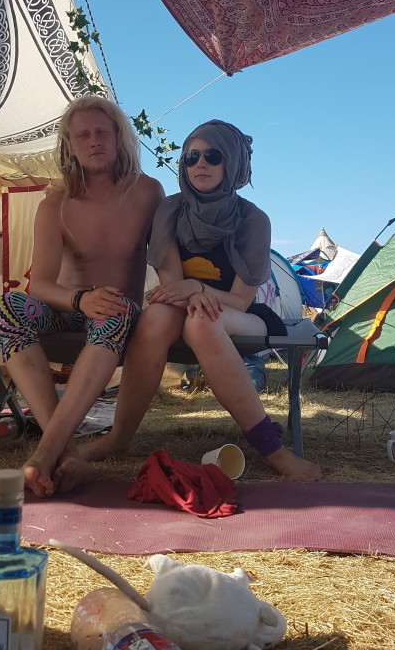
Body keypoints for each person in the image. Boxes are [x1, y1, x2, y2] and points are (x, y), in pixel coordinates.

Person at [83, 120, 322, 481]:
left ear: (233, 162)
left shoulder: (253, 219)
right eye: (191, 157)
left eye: (213, 155)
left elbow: (240, 300)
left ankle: (272, 450)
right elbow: (172, 289)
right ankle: (119, 438)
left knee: (202, 321)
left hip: (242, 314)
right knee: (156, 317)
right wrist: (191, 292)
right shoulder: (169, 211)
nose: (200, 164)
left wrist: (198, 288)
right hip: (185, 308)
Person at [0, 95, 164, 497]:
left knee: (114, 307)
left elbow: (168, 256)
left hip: (119, 314)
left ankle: (44, 454)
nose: (94, 140)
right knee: (7, 307)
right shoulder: (55, 204)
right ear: (69, 144)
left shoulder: (147, 192)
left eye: (102, 131)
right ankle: (65, 450)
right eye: (82, 134)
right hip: (69, 309)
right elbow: (39, 285)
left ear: (119, 137)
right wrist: (80, 300)